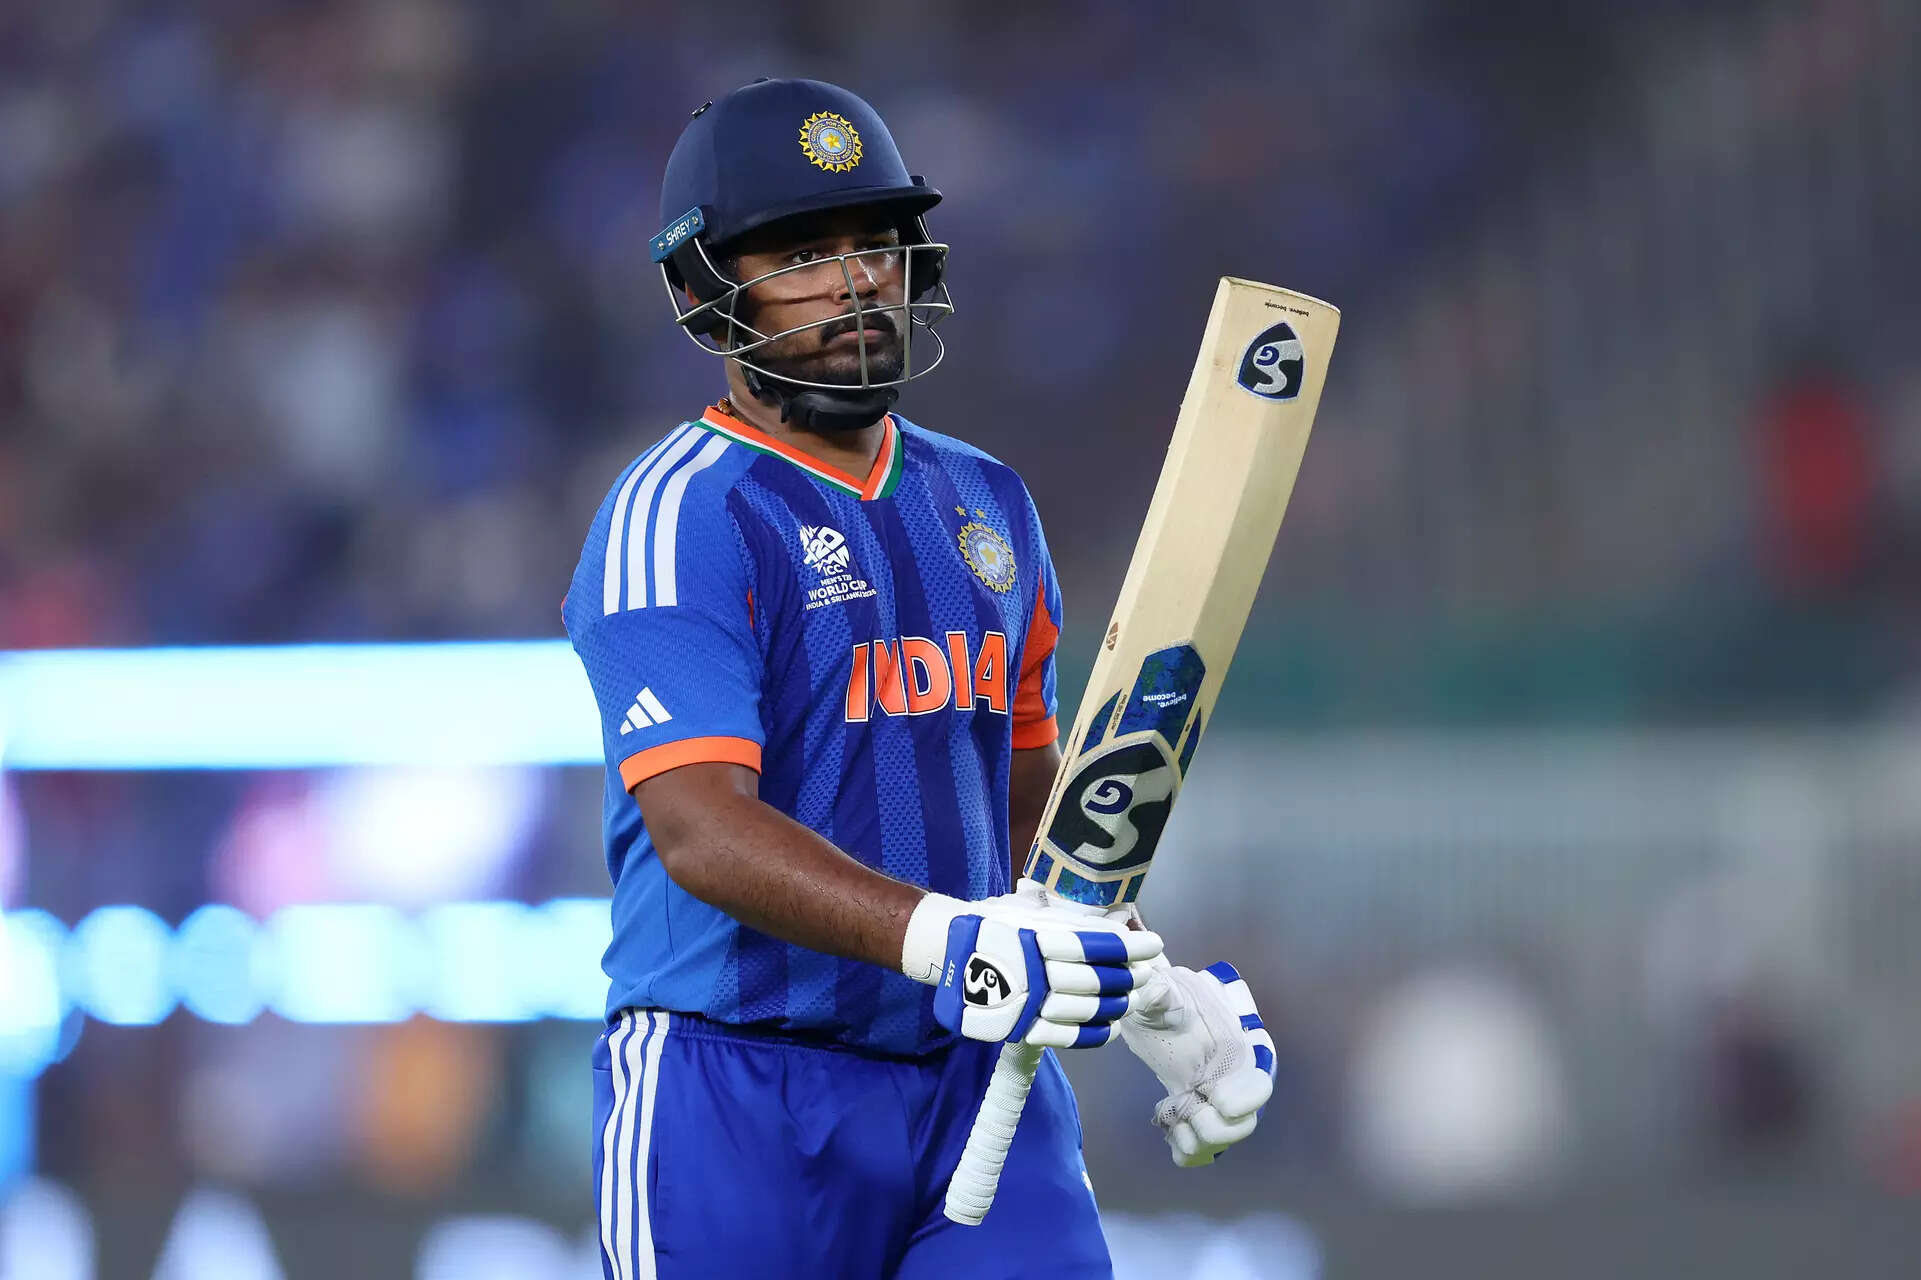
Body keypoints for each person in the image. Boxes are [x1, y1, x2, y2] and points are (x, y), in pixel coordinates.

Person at [564, 77, 1275, 1280]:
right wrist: (944, 938)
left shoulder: (987, 500)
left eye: (875, 244)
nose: (855, 281)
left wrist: (1152, 987)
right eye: (799, 253)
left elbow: (1026, 802)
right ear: (700, 293)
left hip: (973, 1071)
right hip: (731, 1088)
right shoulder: (678, 514)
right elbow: (699, 831)